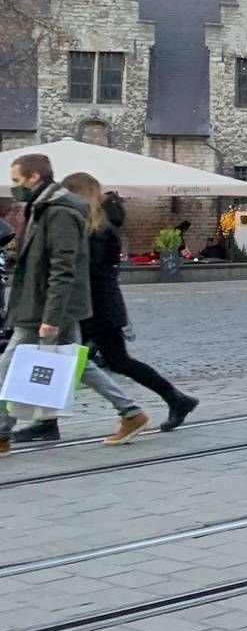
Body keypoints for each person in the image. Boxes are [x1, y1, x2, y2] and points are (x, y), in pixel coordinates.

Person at [0, 154, 149, 453]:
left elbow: (63, 267)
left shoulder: (61, 211)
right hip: (45, 305)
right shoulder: (42, 207)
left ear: (34, 177)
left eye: (17, 180)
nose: (14, 187)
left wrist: (51, 316)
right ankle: (131, 412)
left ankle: (1, 433)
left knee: (7, 367)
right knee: (76, 364)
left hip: (46, 308)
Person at [62, 174, 199, 432]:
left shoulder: (97, 230)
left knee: (106, 360)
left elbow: (90, 270)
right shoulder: (94, 226)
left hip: (98, 306)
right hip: (96, 305)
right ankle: (173, 400)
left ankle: (168, 401)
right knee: (95, 360)